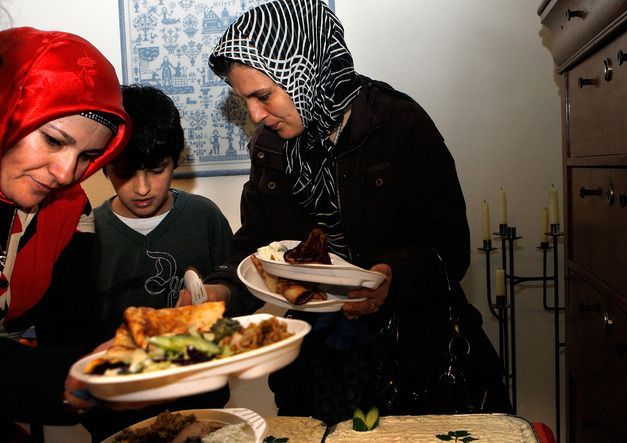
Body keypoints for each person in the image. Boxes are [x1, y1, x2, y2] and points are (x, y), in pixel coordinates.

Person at [202, 0, 510, 425]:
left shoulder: (399, 124)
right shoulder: (270, 147)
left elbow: (449, 248)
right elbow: (258, 244)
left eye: (263, 95)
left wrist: (390, 275)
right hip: (318, 367)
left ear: (305, 72)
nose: (255, 114)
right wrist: (219, 291)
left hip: (415, 357)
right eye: (244, 101)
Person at [81, 84, 234, 441]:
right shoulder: (87, 234)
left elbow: (240, 295)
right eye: (125, 173)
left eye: (156, 169)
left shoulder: (204, 217)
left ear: (176, 159)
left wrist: (220, 297)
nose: (143, 188)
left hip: (202, 401)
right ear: (104, 167)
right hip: (117, 414)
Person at [0, 27, 131, 435]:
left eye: (89, 156)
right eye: (53, 140)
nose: (65, 173)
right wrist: (66, 381)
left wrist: (109, 370)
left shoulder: (70, 208)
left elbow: (69, 326)